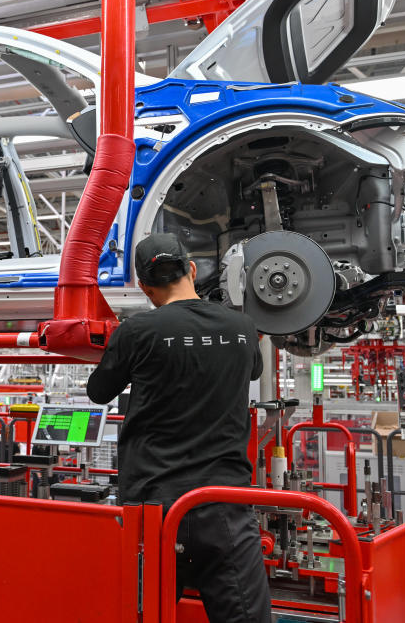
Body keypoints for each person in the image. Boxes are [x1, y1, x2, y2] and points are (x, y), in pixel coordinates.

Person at [86, 233, 271, 623]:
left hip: (153, 509)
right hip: (224, 507)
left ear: (144, 287)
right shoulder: (241, 328)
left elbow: (99, 392)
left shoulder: (137, 332)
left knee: (142, 614)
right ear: (190, 269)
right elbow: (254, 369)